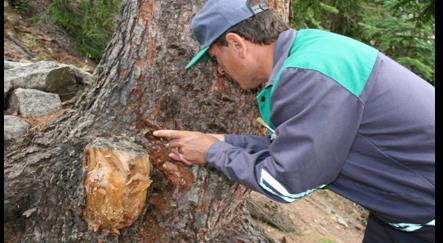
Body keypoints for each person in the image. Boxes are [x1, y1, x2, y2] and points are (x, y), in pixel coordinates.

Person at [153, 0, 435, 242]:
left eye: (216, 58)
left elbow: (288, 183)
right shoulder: (310, 51)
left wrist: (212, 152)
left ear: (237, 44)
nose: (220, 71)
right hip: (404, 214)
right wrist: (221, 141)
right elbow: (296, 147)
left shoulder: (309, 76)